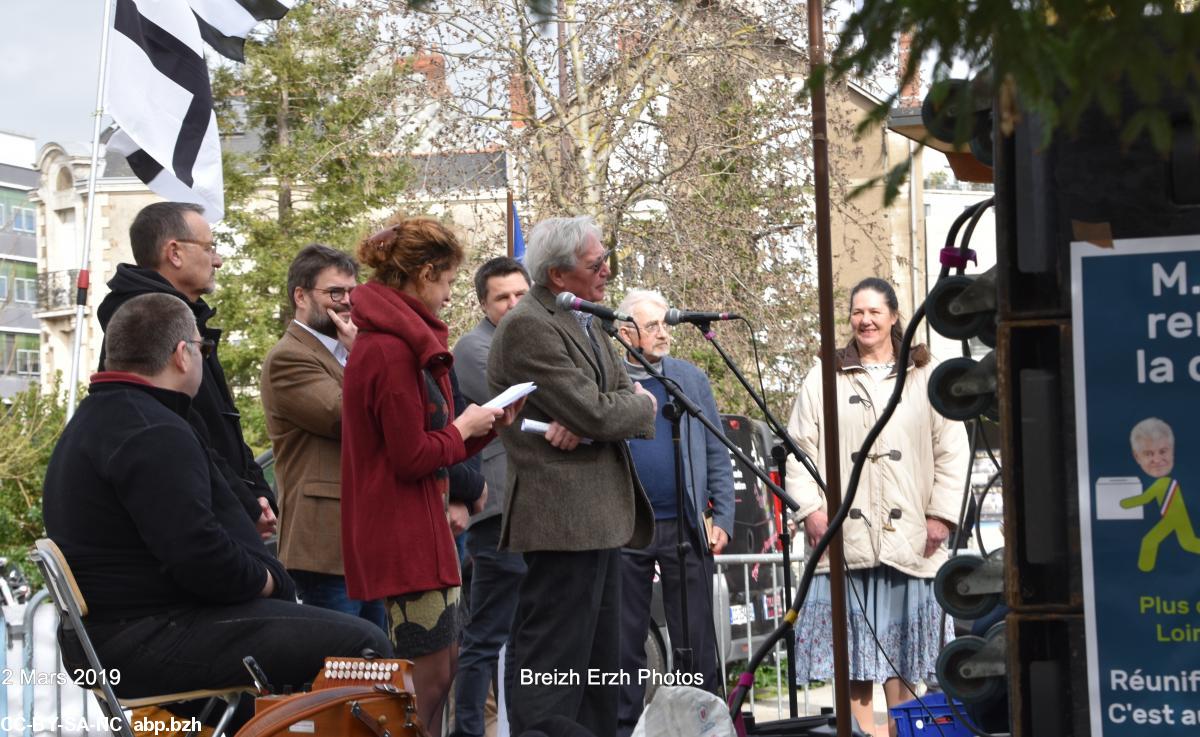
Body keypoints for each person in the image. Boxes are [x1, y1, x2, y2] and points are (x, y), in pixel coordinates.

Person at [43, 294, 393, 732]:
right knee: (364, 644)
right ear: (182, 354)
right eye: (203, 348)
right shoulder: (151, 430)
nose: (203, 358)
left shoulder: (101, 417)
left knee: (288, 690)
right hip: (145, 639)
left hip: (118, 636)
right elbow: (200, 557)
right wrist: (267, 579)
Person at [340, 217, 521, 736]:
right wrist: (464, 427)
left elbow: (434, 445)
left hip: (421, 531)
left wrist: (486, 428)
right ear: (424, 275)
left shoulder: (397, 342)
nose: (447, 295)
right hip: (404, 535)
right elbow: (412, 456)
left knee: (442, 671)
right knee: (428, 682)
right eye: (446, 282)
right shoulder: (390, 349)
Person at [488, 216, 658, 737]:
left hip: (601, 516)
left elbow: (613, 398)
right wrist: (626, 409)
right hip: (560, 520)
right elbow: (603, 411)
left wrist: (601, 414)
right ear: (558, 274)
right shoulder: (529, 326)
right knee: (554, 670)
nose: (607, 270)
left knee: (600, 670)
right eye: (595, 263)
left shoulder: (583, 316)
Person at [785, 277, 968, 737]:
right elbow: (799, 450)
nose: (864, 321)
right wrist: (811, 510)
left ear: (893, 316)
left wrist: (941, 515)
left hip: (911, 539)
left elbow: (952, 449)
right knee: (853, 660)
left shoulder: (924, 373)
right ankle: (862, 734)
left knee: (904, 659)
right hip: (845, 538)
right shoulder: (823, 375)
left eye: (874, 312)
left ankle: (904, 732)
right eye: (857, 312)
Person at [97, 201, 277, 539]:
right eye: (209, 248)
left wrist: (256, 491)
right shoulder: (148, 324)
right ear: (175, 253)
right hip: (201, 523)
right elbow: (188, 433)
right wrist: (245, 506)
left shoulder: (187, 317)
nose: (218, 260)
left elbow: (221, 424)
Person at [612, 289, 735, 736]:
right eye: (653, 326)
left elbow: (716, 449)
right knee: (625, 642)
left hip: (686, 524)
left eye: (665, 324)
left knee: (695, 640)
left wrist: (723, 517)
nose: (664, 333)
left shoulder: (689, 378)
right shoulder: (609, 380)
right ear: (626, 333)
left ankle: (703, 726)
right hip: (627, 528)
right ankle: (626, 728)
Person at [260, 244, 387, 630]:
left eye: (352, 291)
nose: (347, 302)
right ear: (300, 296)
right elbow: (348, 417)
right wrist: (364, 354)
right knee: (343, 659)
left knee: (379, 659)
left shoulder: (343, 351)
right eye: (335, 292)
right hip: (326, 544)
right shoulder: (289, 357)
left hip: (366, 537)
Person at [452, 256, 531, 737]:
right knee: (486, 634)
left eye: (521, 294)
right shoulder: (474, 348)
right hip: (500, 506)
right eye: (502, 297)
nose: (514, 304)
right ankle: (468, 730)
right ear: (483, 303)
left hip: (535, 506)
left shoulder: (531, 341)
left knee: (523, 635)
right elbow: (527, 406)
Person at [1120, 417, 1199, 571]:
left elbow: (1144, 498)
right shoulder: (1162, 482)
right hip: (1172, 518)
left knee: (1152, 540)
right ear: (1137, 457)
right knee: (1187, 542)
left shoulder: (1167, 482)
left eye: (1163, 451)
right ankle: (1144, 573)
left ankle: (1145, 569)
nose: (1157, 459)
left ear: (1172, 450)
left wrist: (1123, 503)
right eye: (1148, 454)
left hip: (1174, 518)